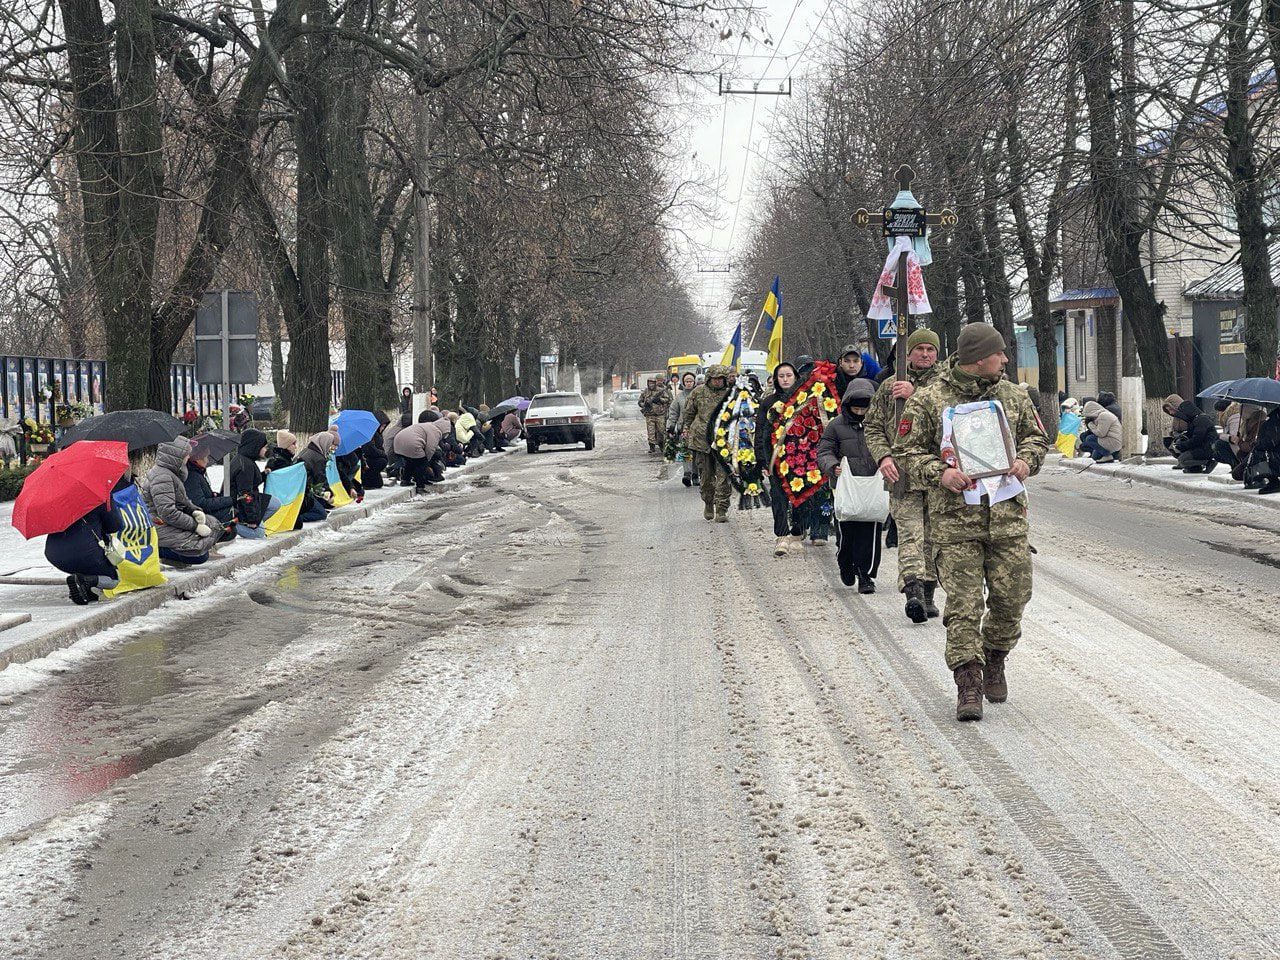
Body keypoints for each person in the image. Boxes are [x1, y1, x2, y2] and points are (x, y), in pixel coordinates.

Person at [896, 324, 1049, 722]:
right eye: (999, 353)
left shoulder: (1014, 396)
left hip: (1007, 519)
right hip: (955, 522)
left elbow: (1037, 438)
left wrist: (1025, 461)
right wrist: (941, 472)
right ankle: (968, 681)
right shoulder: (929, 400)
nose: (1005, 359)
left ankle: (995, 656)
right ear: (980, 358)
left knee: (1012, 600)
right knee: (963, 608)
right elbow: (907, 452)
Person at [865, 328, 944, 621]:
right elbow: (873, 426)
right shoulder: (889, 387)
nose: (925, 354)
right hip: (902, 474)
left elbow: (953, 418)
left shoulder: (946, 385)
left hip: (937, 474)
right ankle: (913, 592)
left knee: (933, 537)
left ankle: (929, 593)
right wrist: (883, 456)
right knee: (910, 534)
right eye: (919, 349)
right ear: (908, 353)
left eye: (930, 349)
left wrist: (917, 395)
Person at [817, 379, 882, 592]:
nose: (860, 412)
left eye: (865, 408)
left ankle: (865, 575)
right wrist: (832, 465)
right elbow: (824, 451)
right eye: (856, 409)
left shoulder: (880, 424)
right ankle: (845, 562)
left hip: (873, 485)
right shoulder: (836, 426)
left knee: (870, 532)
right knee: (847, 531)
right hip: (846, 486)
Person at [144, 439, 224, 565]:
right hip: (159, 524)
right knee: (200, 555)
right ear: (177, 456)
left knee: (213, 525)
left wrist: (193, 511)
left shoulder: (170, 473)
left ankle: (172, 553)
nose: (188, 458)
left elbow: (182, 501)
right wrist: (195, 526)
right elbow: (168, 512)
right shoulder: (162, 477)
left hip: (168, 523)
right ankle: (159, 551)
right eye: (187, 455)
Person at [756, 362, 806, 551]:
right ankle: (782, 535)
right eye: (781, 376)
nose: (785, 379)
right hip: (775, 458)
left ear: (795, 377)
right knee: (778, 496)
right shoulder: (768, 402)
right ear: (776, 379)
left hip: (801, 456)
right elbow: (760, 432)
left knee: (800, 494)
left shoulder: (804, 398)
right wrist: (762, 460)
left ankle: (797, 532)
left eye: (789, 375)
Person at [45, 494, 124, 604]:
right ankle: (85, 581)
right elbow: (115, 526)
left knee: (83, 562)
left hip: (55, 555)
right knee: (113, 580)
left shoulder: (53, 502)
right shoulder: (98, 496)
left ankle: (83, 588)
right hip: (87, 553)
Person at [681, 363, 733, 521]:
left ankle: (722, 508)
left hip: (724, 441)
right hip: (702, 441)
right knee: (705, 476)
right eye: (714, 378)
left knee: (724, 476)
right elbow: (688, 413)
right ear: (709, 378)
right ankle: (708, 502)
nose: (717, 381)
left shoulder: (731, 393)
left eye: (720, 378)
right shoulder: (698, 392)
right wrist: (689, 428)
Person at [229, 428, 282, 539]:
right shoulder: (245, 466)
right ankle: (234, 525)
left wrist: (263, 475)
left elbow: (251, 483)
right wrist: (252, 519)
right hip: (239, 505)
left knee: (275, 503)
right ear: (255, 446)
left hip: (248, 499)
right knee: (258, 534)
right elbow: (245, 495)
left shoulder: (245, 460)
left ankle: (254, 523)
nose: (265, 449)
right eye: (264, 447)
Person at [268, 430, 327, 524]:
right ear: (286, 445)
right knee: (320, 514)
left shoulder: (285, 458)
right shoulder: (280, 461)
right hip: (290, 499)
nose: (296, 447)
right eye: (293, 444)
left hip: (298, 496)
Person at [184, 440, 237, 539]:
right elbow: (200, 503)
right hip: (202, 518)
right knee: (229, 513)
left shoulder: (197, 473)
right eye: (206, 457)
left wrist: (214, 495)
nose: (207, 461)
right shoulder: (193, 477)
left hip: (206, 515)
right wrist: (227, 500)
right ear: (197, 459)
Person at [393, 418, 448, 493]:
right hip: (413, 444)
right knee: (421, 464)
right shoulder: (436, 431)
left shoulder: (428, 425)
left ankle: (405, 480)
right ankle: (420, 487)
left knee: (410, 461)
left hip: (398, 442)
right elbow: (430, 448)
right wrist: (427, 460)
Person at [666, 371, 700, 486]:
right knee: (686, 451)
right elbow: (673, 413)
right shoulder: (679, 397)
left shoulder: (699, 395)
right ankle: (687, 474)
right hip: (683, 429)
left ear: (694, 382)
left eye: (691, 381)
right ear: (683, 382)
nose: (689, 383)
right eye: (686, 381)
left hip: (698, 429)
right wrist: (670, 428)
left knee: (696, 453)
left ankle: (696, 474)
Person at [1170, 399, 1218, 472]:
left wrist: (1182, 445)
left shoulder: (1201, 420)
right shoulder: (1194, 420)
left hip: (1207, 448)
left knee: (1183, 460)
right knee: (1178, 452)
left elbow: (1197, 439)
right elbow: (1192, 435)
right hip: (1201, 447)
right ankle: (1195, 468)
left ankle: (1209, 462)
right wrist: (1179, 438)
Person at [298, 432, 338, 511]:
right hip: (306, 491)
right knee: (321, 514)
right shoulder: (318, 458)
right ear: (325, 443)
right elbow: (320, 479)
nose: (331, 447)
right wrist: (330, 494)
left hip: (300, 487)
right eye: (330, 444)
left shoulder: (307, 450)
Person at [639, 377, 671, 454]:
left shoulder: (660, 391)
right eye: (650, 383)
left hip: (660, 414)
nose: (651, 385)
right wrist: (645, 405)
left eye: (653, 383)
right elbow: (640, 402)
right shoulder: (645, 392)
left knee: (661, 430)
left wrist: (660, 400)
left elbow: (668, 399)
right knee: (651, 431)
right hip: (649, 415)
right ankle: (652, 446)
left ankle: (661, 444)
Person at [1252, 407, 1280, 494]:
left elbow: (1270, 441)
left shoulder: (1275, 421)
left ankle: (1274, 482)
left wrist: (1257, 445)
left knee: (1260, 455)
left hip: (1275, 455)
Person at [360, 411, 390, 489]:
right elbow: (370, 449)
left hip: (372, 459)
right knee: (382, 461)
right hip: (367, 459)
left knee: (378, 484)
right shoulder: (370, 433)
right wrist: (383, 454)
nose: (383, 428)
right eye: (382, 426)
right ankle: (366, 482)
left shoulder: (378, 434)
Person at [1162, 394, 1189, 460]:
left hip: (1187, 438)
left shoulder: (1187, 414)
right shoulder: (1176, 417)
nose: (1170, 412)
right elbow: (1175, 428)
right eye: (1168, 411)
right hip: (1178, 437)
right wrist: (1173, 433)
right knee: (1167, 441)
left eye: (1171, 409)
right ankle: (1180, 458)